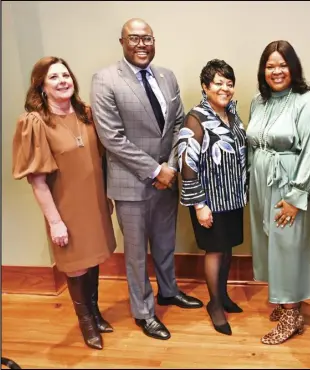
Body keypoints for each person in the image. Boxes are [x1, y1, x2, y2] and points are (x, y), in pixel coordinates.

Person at [90, 18, 203, 341]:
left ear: (155, 41)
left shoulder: (166, 77)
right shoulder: (106, 80)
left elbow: (179, 123)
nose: (142, 44)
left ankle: (169, 291)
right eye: (135, 38)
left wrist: (169, 168)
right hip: (132, 184)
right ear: (122, 41)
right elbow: (112, 137)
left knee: (166, 244)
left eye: (148, 38)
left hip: (166, 181)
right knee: (137, 254)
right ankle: (143, 312)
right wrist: (155, 170)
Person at [12, 56, 116, 350]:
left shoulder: (86, 113)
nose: (62, 81)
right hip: (66, 208)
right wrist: (55, 221)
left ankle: (95, 314)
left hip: (93, 203)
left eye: (65, 75)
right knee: (75, 266)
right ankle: (86, 324)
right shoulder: (35, 122)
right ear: (41, 86)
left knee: (93, 258)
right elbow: (38, 181)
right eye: (54, 77)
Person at [246, 40, 310, 345]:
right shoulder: (259, 101)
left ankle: (292, 314)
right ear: (262, 70)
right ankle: (283, 302)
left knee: (289, 246)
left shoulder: (307, 101)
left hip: (291, 183)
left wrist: (296, 196)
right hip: (262, 184)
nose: (277, 71)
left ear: (294, 67)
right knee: (272, 245)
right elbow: (254, 145)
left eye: (283, 65)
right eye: (270, 66)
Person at [178, 59, 247, 336]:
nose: (225, 88)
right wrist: (199, 205)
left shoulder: (232, 113)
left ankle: (224, 295)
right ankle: (215, 305)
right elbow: (187, 164)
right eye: (218, 83)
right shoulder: (195, 118)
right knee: (215, 251)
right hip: (209, 201)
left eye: (229, 83)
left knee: (228, 248)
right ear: (205, 86)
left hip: (232, 197)